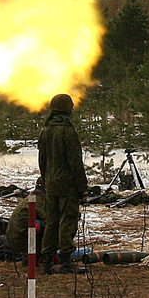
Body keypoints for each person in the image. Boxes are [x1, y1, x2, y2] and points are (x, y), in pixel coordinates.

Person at [37, 92, 88, 273]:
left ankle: (48, 260)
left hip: (51, 185)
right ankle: (66, 260)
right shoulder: (68, 131)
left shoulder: (45, 131)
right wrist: (83, 188)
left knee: (51, 222)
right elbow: (75, 163)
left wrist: (46, 180)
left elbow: (42, 161)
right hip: (67, 186)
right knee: (68, 220)